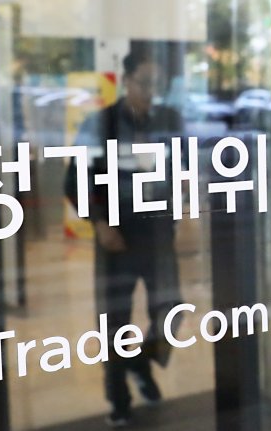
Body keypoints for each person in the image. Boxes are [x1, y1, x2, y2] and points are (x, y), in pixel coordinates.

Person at [65, 50, 184, 427]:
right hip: (116, 234)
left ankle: (140, 362)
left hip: (157, 231)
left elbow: (178, 168)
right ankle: (118, 398)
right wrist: (99, 224)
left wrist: (178, 207)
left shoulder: (168, 119)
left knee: (171, 311)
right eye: (144, 83)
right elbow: (76, 179)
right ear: (126, 80)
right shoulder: (100, 123)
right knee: (114, 320)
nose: (151, 91)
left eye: (157, 84)